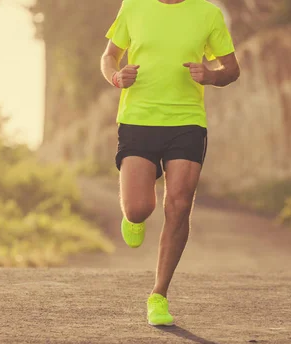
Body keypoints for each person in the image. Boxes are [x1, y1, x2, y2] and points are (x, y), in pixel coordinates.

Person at [101, 0, 240, 326]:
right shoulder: (134, 6)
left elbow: (232, 69)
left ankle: (159, 295)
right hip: (139, 120)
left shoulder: (207, 14)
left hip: (187, 123)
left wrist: (210, 76)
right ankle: (133, 217)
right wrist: (116, 78)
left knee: (178, 206)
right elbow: (109, 56)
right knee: (138, 208)